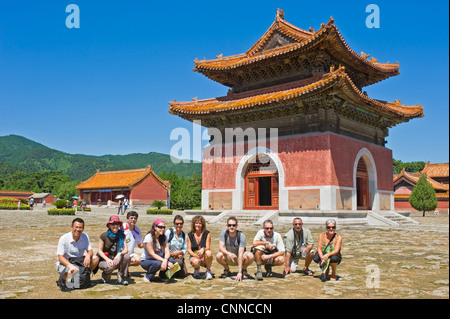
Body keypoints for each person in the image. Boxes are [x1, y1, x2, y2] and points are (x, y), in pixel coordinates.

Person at [216, 217, 254, 281]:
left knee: (250, 256)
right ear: (226, 226)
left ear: (237, 226)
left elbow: (241, 253)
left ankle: (243, 270)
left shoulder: (241, 236)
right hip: (229, 256)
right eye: (229, 225)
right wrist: (229, 253)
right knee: (218, 255)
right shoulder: (224, 233)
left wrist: (239, 271)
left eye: (233, 225)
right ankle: (226, 269)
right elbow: (221, 248)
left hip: (239, 257)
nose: (231, 227)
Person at [97, 215, 130, 285]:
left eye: (117, 224)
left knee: (127, 256)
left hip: (117, 258)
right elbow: (99, 251)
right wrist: (107, 259)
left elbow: (126, 250)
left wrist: (119, 254)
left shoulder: (122, 235)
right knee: (110, 267)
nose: (115, 226)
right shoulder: (104, 235)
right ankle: (106, 275)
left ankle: (121, 276)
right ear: (109, 225)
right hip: (106, 260)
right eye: (113, 224)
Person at [187, 215, 213, 279]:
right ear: (193, 224)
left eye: (200, 223)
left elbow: (208, 247)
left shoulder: (207, 233)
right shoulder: (189, 235)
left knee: (209, 253)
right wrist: (195, 256)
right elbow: (189, 250)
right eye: (196, 223)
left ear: (202, 224)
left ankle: (208, 271)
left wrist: (203, 249)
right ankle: (196, 269)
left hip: (204, 257)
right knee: (196, 262)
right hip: (194, 256)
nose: (198, 225)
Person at [122, 211, 143, 277]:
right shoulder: (121, 227)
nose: (133, 220)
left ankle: (123, 267)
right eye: (131, 218)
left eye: (135, 218)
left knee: (138, 260)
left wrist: (149, 242)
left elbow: (140, 245)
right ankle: (122, 268)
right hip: (120, 253)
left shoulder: (137, 230)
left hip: (130, 253)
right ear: (127, 219)